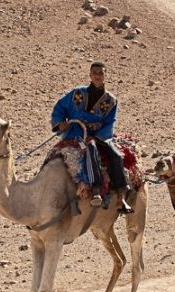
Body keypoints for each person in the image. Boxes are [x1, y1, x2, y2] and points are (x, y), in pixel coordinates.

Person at [51, 62, 134, 214]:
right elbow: (60, 107)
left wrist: (95, 137)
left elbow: (110, 123)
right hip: (74, 133)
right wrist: (60, 123)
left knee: (115, 156)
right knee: (51, 158)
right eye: (94, 73)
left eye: (100, 73)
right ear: (90, 75)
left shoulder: (111, 101)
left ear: (105, 76)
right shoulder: (77, 93)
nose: (97, 76)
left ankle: (118, 196)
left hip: (97, 137)